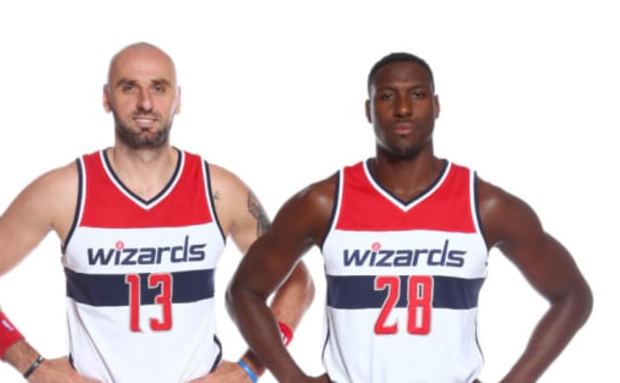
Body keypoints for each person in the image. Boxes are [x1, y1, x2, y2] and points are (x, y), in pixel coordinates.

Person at [0, 42, 314, 383]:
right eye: (128, 87)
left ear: (178, 99)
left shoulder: (221, 192)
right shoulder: (66, 191)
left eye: (158, 87)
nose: (145, 103)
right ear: (107, 98)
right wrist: (32, 365)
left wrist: (250, 368)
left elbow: (298, 282)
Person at [226, 52, 593, 383]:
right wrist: (291, 377)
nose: (403, 108)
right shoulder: (325, 202)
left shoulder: (484, 204)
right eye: (387, 96)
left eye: (416, 94)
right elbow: (244, 291)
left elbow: (572, 296)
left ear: (435, 106)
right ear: (369, 110)